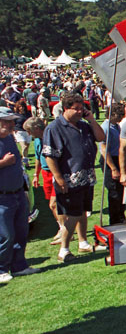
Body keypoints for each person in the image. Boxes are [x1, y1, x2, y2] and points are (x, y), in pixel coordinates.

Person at [43, 91, 105, 262]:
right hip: (69, 179)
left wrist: (91, 119)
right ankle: (64, 249)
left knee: (83, 211)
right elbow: (50, 155)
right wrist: (59, 178)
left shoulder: (84, 125)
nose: (79, 112)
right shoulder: (54, 128)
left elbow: (101, 137)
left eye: (82, 109)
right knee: (73, 214)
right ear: (65, 109)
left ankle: (83, 242)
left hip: (87, 177)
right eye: (76, 109)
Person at [0, 107, 40, 283]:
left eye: (11, 121)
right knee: (5, 234)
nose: (11, 124)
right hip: (2, 196)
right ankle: (1, 268)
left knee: (20, 232)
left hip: (17, 192)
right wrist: (3, 162)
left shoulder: (9, 138)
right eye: (7, 121)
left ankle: (19, 265)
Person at [24, 117, 62, 244]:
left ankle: (64, 230)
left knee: (54, 204)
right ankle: (62, 228)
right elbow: (37, 156)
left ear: (36, 128)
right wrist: (36, 174)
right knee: (51, 204)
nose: (29, 135)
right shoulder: (37, 141)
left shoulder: (51, 136)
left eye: (29, 131)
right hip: (45, 172)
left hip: (54, 172)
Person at [100, 103, 126, 225]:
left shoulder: (115, 126)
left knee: (120, 191)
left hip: (117, 159)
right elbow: (105, 150)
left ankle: (121, 216)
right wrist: (113, 168)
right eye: (120, 115)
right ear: (113, 114)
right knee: (114, 192)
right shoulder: (106, 128)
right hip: (111, 161)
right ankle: (115, 221)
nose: (122, 117)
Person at [13, 100, 32, 168]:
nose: (22, 108)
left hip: (28, 132)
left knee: (27, 148)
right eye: (20, 106)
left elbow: (30, 122)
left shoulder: (28, 114)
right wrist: (13, 131)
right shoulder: (16, 115)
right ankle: (23, 160)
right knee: (24, 146)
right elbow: (13, 124)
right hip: (19, 132)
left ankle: (25, 161)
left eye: (23, 106)